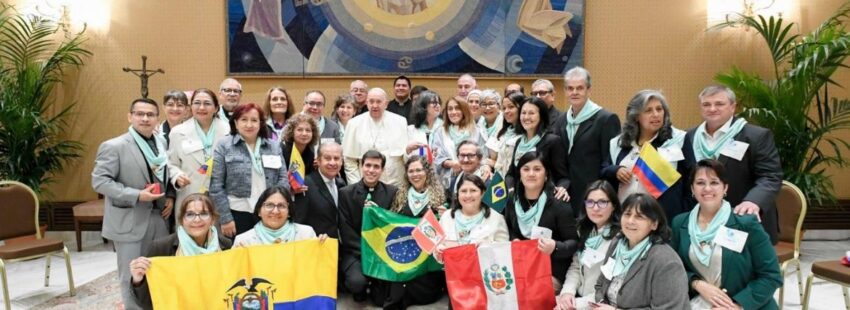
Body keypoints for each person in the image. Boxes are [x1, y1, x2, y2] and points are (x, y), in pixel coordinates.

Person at [92, 98, 172, 309]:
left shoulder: (160, 144)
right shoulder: (114, 146)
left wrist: (170, 197)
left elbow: (165, 173)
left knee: (159, 271)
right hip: (130, 219)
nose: (145, 118)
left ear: (157, 118)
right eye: (140, 114)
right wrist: (136, 195)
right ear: (130, 117)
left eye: (150, 114)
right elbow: (100, 182)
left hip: (159, 218)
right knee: (131, 275)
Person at [671, 159, 782, 310]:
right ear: (692, 189)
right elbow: (674, 269)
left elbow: (771, 275)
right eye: (700, 183)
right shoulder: (679, 223)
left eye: (714, 182)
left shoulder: (745, 224)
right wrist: (696, 283)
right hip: (697, 303)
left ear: (725, 188)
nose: (707, 188)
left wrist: (737, 306)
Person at [682, 85, 782, 244]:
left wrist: (753, 201)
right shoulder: (688, 137)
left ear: (733, 107)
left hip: (742, 219)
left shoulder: (756, 136)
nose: (712, 109)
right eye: (706, 104)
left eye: (719, 104)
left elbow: (770, 176)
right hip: (700, 220)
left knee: (738, 268)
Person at [129, 194, 232, 310]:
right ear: (182, 220)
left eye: (203, 214)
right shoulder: (162, 248)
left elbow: (232, 290)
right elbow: (147, 303)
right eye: (190, 214)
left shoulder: (225, 246)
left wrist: (242, 256)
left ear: (213, 219)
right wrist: (138, 281)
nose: (197, 219)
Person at [602, 90, 689, 222]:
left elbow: (691, 178)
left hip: (662, 218)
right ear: (636, 116)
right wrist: (616, 170)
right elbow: (603, 169)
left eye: (659, 109)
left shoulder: (677, 140)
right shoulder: (619, 143)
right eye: (648, 110)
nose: (656, 114)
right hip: (625, 217)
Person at [372, 155, 447, 308]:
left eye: (419, 170)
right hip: (403, 254)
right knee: (382, 295)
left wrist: (445, 215)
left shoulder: (441, 196)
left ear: (427, 172)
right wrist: (373, 210)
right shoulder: (400, 195)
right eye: (411, 171)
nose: (415, 174)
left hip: (426, 259)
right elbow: (390, 221)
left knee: (417, 292)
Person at [593, 193, 689, 309]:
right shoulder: (617, 243)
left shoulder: (666, 261)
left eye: (639, 217)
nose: (630, 221)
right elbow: (600, 285)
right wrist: (601, 303)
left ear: (654, 224)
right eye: (627, 214)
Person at [209, 103, 288, 238]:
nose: (249, 125)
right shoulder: (224, 146)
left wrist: (277, 205)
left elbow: (283, 179)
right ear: (236, 122)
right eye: (244, 120)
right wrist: (226, 218)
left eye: (254, 120)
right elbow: (216, 186)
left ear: (261, 123)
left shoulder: (273, 146)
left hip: (269, 211)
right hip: (237, 212)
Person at [503, 152, 578, 292]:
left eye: (537, 169)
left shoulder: (558, 202)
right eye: (526, 169)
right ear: (519, 174)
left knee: (526, 292)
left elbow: (573, 242)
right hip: (520, 264)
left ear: (546, 175)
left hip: (550, 270)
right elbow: (509, 229)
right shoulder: (512, 200)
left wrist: (555, 246)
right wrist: (514, 240)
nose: (531, 174)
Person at [551, 66, 621, 213]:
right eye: (570, 88)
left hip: (594, 197)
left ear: (589, 90)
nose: (574, 92)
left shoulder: (606, 119)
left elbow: (609, 161)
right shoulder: (561, 120)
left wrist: (604, 198)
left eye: (579, 88)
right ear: (565, 91)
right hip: (566, 195)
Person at [338, 151, 399, 303]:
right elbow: (346, 231)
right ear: (361, 166)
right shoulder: (345, 194)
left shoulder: (392, 193)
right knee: (356, 283)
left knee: (382, 299)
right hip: (355, 252)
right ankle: (361, 286)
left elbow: (392, 225)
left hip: (381, 252)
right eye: (368, 165)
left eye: (376, 167)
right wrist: (367, 252)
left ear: (382, 170)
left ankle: (375, 286)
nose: (371, 170)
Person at [167, 88, 230, 225]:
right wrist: (177, 176)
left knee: (220, 241)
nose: (201, 107)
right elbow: (171, 164)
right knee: (191, 238)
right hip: (190, 194)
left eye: (207, 103)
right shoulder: (177, 132)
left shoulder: (229, 131)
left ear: (216, 108)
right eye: (197, 103)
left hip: (221, 197)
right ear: (190, 107)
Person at [556, 180, 621, 310]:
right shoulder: (584, 231)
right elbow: (575, 266)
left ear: (613, 205)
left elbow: (610, 287)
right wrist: (567, 292)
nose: (595, 208)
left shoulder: (619, 239)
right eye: (590, 202)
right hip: (579, 298)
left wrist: (576, 304)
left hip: (601, 303)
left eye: (602, 202)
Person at [342, 88, 409, 187]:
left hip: (396, 185)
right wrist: (357, 186)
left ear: (386, 104)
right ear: (366, 103)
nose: (375, 105)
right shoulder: (354, 123)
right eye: (371, 101)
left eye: (379, 102)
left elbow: (405, 157)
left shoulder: (400, 122)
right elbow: (349, 161)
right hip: (365, 185)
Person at [506, 96, 569, 199]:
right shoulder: (519, 142)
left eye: (531, 113)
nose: (526, 117)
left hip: (544, 199)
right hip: (519, 199)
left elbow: (563, 177)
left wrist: (562, 188)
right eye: (523, 113)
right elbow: (510, 174)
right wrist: (511, 189)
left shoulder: (552, 141)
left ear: (541, 116)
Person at [436, 174, 508, 253]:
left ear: (482, 193)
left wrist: (488, 247)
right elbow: (437, 245)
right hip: (453, 265)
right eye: (463, 191)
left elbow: (504, 250)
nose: (468, 195)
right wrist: (438, 251)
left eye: (473, 190)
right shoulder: (446, 217)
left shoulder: (496, 218)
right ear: (458, 194)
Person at [233, 186, 326, 246]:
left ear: (289, 211)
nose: (275, 211)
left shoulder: (306, 234)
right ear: (259, 211)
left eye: (281, 206)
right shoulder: (243, 241)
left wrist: (323, 246)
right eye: (269, 205)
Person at [291, 142, 347, 239]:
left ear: (342, 161)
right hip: (316, 246)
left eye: (336, 158)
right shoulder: (305, 185)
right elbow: (299, 222)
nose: (332, 163)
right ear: (318, 161)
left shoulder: (342, 184)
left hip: (340, 247)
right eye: (327, 158)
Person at [432, 97, 488, 187]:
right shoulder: (440, 131)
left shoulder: (477, 130)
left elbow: (484, 155)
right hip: (448, 180)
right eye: (450, 109)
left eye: (457, 108)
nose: (453, 112)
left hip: (474, 179)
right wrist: (451, 163)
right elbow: (437, 156)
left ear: (464, 110)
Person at [487, 92, 522, 178]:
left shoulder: (526, 134)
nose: (506, 111)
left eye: (511, 107)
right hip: (500, 181)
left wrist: (495, 164)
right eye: (504, 108)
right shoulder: (505, 132)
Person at [281, 114, 319, 182]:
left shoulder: (310, 154)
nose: (304, 134)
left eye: (308, 130)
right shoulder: (282, 150)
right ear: (292, 132)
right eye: (300, 130)